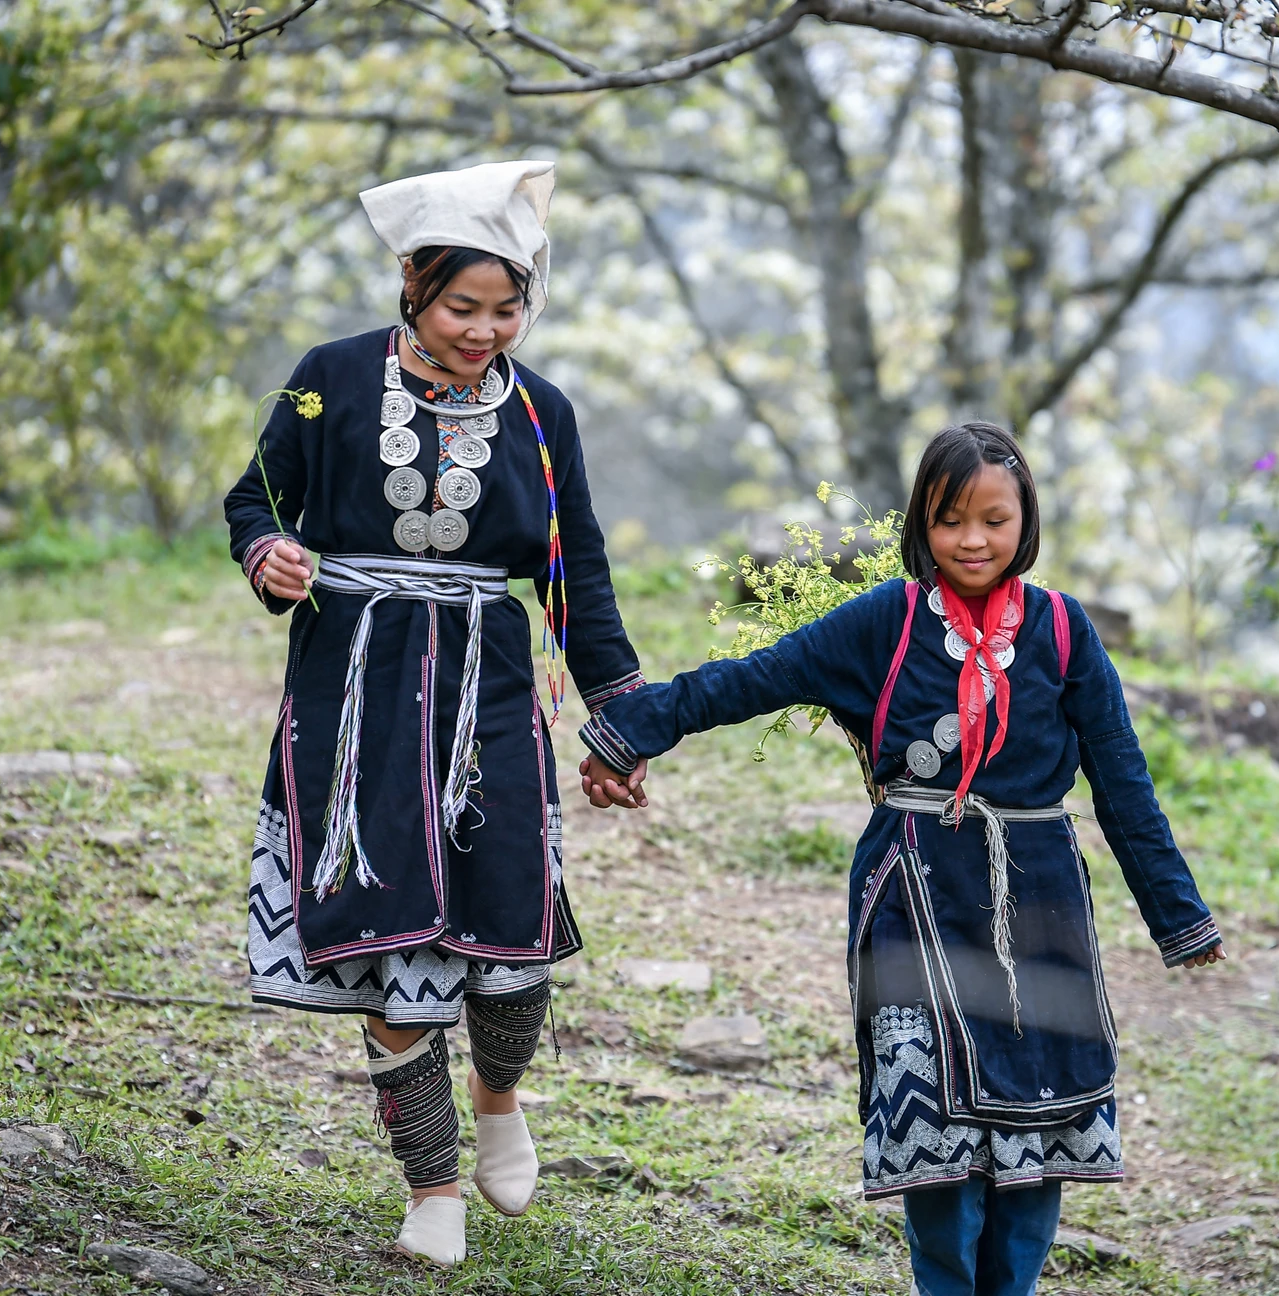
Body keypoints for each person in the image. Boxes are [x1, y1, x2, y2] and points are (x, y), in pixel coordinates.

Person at [577, 423, 1226, 1296]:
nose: (973, 540)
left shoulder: (1064, 631)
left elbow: (1124, 783)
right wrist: (628, 733)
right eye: (951, 518)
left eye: (995, 519)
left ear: (1026, 521)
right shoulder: (888, 619)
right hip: (913, 888)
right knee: (936, 1123)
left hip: (1039, 900)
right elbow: (753, 678)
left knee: (1036, 1116)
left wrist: (1179, 919)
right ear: (922, 520)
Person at [224, 160, 647, 1266]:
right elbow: (255, 495)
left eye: (508, 310)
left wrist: (622, 716)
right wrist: (267, 550)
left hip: (486, 682)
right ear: (410, 283)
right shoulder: (327, 379)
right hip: (349, 681)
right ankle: (433, 1187)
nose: (485, 331)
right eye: (464, 307)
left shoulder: (542, 413)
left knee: (511, 934)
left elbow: (574, 573)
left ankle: (498, 1095)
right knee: (383, 925)